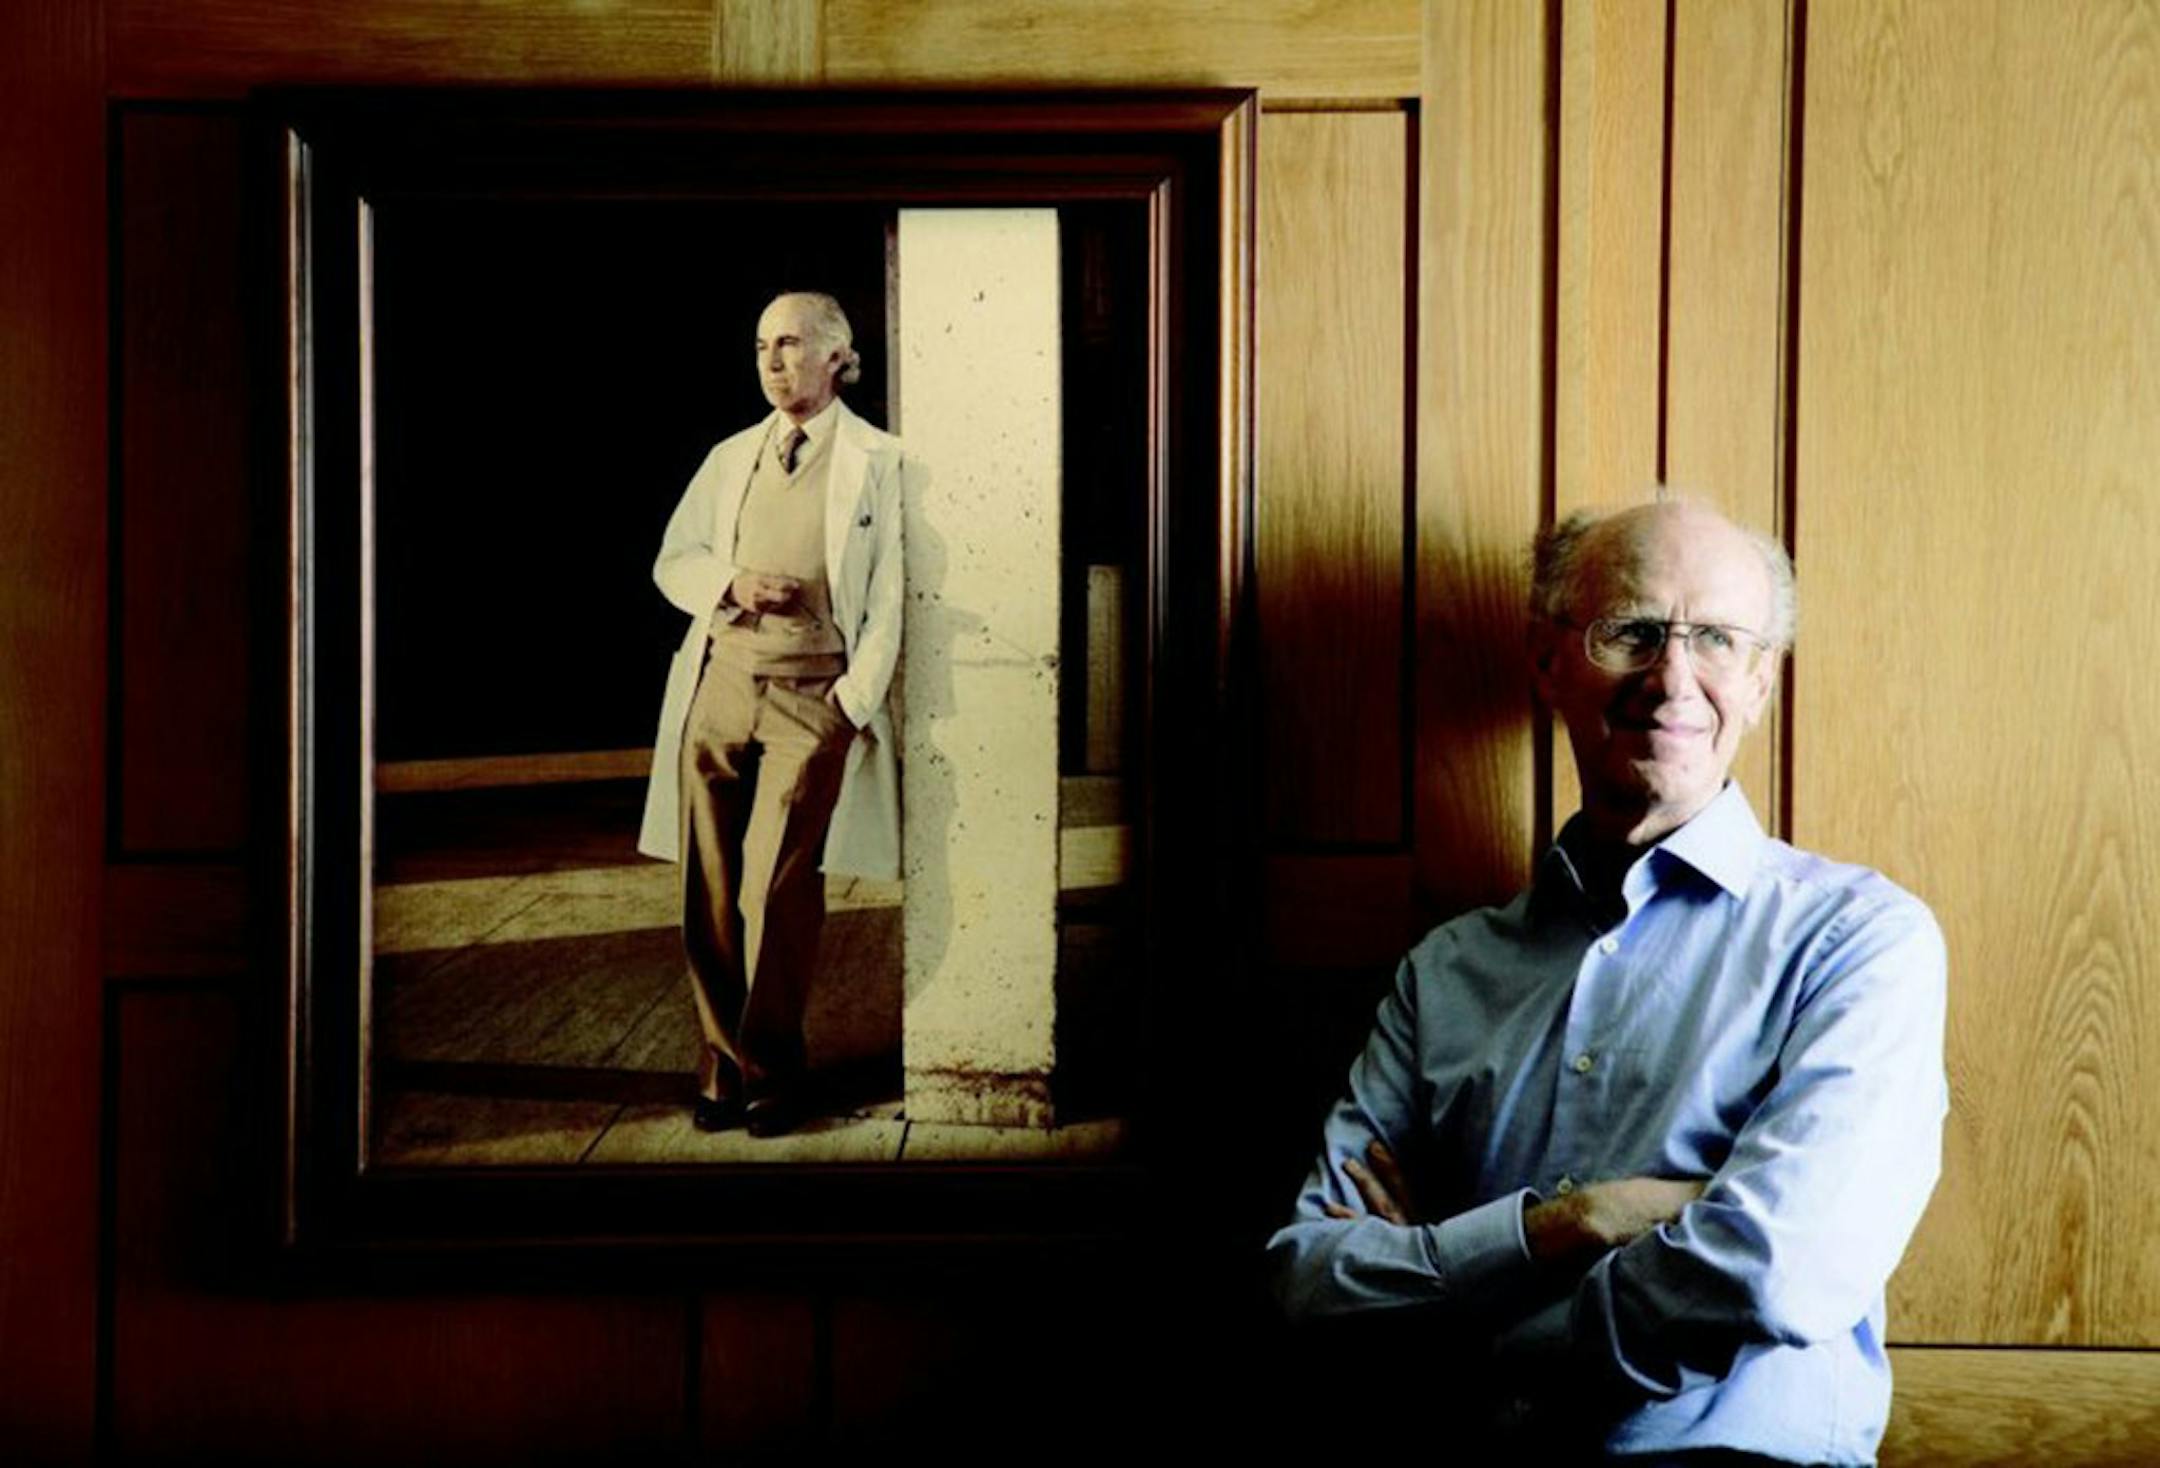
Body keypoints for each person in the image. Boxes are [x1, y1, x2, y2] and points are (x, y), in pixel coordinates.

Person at [1267, 498, 1947, 1464]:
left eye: (1715, 637)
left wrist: (1465, 1310)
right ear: (1549, 663)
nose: (1673, 677)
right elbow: (1310, 1281)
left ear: (1759, 681)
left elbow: (1780, 1268)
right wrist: (1578, 1221)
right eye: (1629, 631)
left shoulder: (1859, 942)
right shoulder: (1446, 972)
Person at [637, 291, 907, 1139]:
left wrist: (850, 702)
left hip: (812, 697)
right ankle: (721, 1066)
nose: (772, 361)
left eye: (789, 344)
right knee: (708, 882)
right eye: (761, 346)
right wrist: (731, 584)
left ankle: (772, 1066)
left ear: (837, 353)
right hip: (721, 679)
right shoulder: (730, 457)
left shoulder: (881, 462)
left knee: (778, 888)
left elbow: (896, 594)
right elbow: (673, 559)